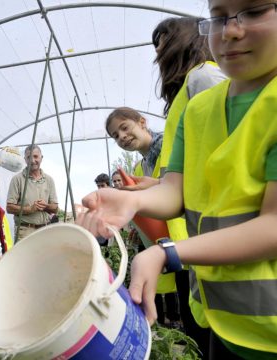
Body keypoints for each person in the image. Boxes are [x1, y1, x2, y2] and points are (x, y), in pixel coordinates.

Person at [78, 0, 277, 357]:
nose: (231, 29)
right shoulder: (199, 108)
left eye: (255, 10)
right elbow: (174, 191)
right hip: (223, 315)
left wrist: (169, 253)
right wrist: (132, 200)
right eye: (218, 17)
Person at [152, 16, 226, 355]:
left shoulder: (205, 77)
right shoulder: (186, 91)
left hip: (217, 227)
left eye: (163, 42)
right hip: (194, 227)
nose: (158, 53)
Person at [106, 107, 180, 329]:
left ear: (142, 122)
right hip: (166, 241)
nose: (122, 137)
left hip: (187, 237)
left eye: (125, 128)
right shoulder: (141, 165)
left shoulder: (172, 145)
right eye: (115, 136)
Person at [6, 144, 58, 242]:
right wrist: (30, 209)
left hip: (45, 229)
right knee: (24, 257)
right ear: (25, 159)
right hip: (25, 231)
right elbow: (9, 208)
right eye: (29, 157)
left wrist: (45, 206)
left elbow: (55, 209)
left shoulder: (49, 180)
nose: (33, 160)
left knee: (45, 257)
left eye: (36, 156)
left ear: (41, 158)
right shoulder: (17, 179)